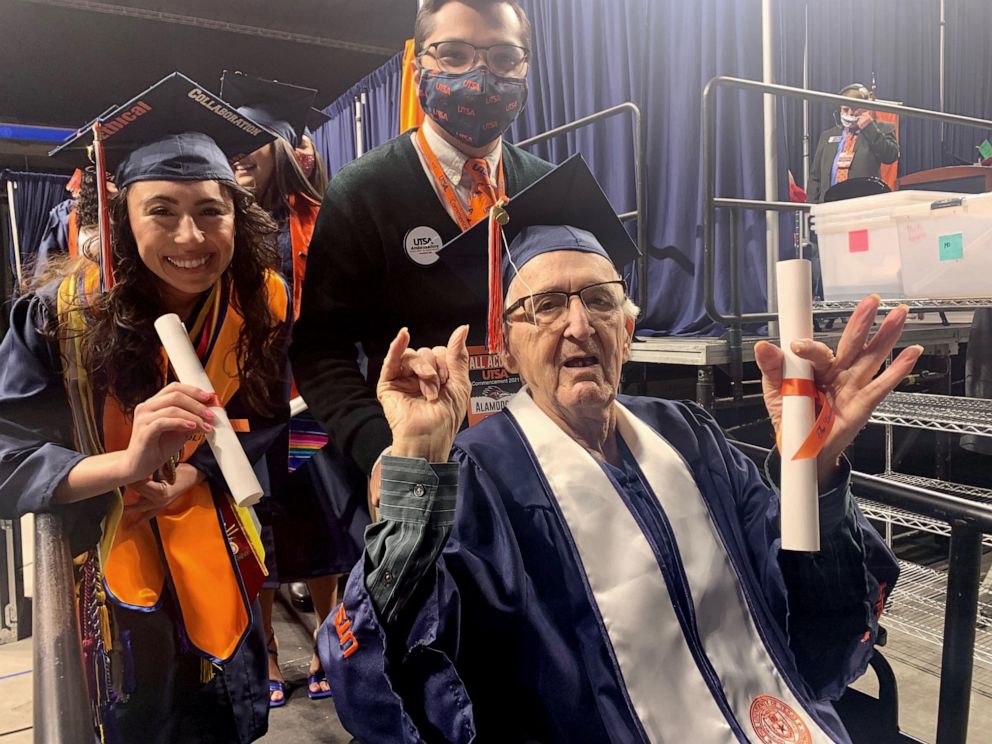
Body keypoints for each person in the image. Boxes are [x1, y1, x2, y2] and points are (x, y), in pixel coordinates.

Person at [317, 156, 923, 743]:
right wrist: (417, 465)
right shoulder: (476, 476)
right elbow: (375, 683)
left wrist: (809, 473)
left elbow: (818, 644)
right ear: (505, 351)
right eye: (545, 305)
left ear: (628, 332)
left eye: (600, 300)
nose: (578, 325)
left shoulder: (690, 436)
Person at [0, 72, 290, 743]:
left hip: (215, 541)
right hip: (108, 556)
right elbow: (8, 456)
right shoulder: (59, 318)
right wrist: (128, 466)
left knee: (223, 718)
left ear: (235, 217)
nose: (190, 237)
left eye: (210, 210)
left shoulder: (260, 302)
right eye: (162, 210)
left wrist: (191, 474)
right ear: (124, 221)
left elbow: (268, 420)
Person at [291, 0, 554, 488]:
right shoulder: (362, 192)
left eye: (502, 58)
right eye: (453, 55)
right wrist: (382, 454)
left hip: (540, 453)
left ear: (525, 69)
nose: (479, 76)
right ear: (418, 71)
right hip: (421, 456)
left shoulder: (546, 187)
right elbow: (320, 353)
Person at [221, 70, 345, 706]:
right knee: (257, 523)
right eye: (232, 141)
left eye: (253, 138)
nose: (239, 152)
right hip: (245, 404)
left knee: (320, 519)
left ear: (283, 146)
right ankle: (266, 645)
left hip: (309, 399)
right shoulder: (221, 225)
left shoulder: (321, 221)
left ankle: (328, 633)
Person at [807, 83, 900, 204]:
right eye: (845, 109)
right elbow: (815, 176)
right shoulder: (827, 135)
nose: (850, 113)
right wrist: (810, 206)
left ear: (865, 109)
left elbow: (890, 155)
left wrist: (869, 128)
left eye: (855, 109)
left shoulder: (881, 129)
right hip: (829, 205)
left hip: (863, 205)